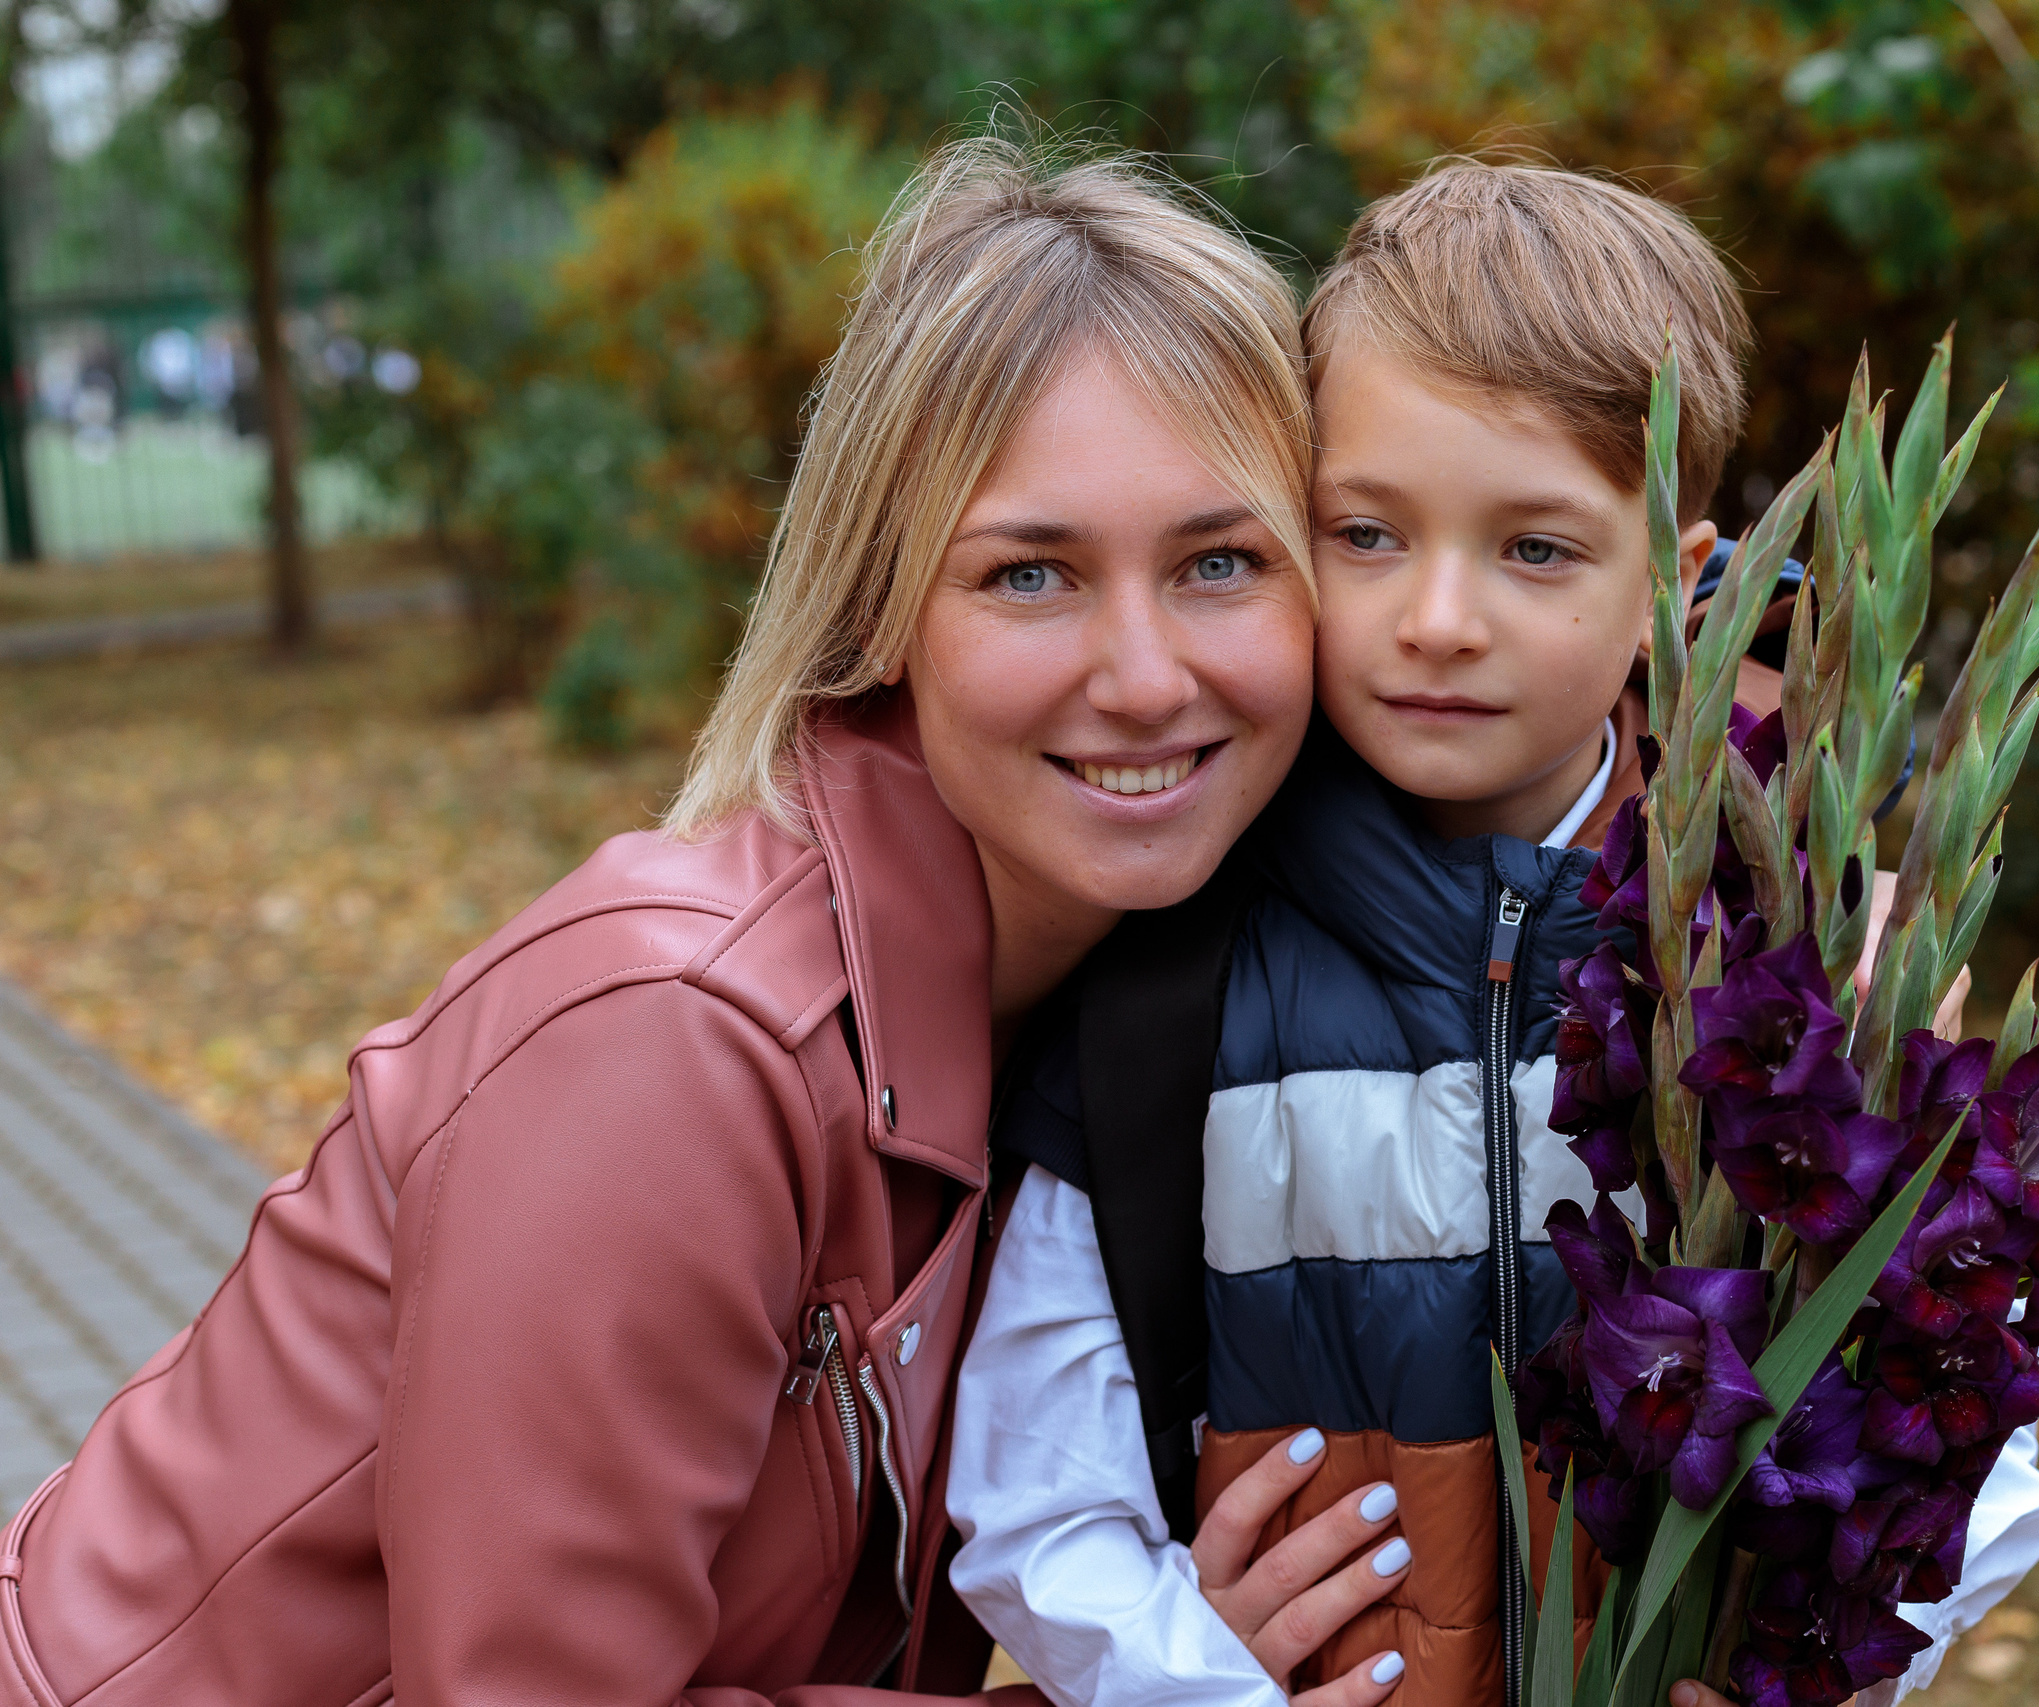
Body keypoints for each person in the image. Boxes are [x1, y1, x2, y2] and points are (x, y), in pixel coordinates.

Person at [0, 136, 1395, 1707]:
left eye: (1220, 562)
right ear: (883, 612)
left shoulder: (1139, 1013)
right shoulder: (677, 1045)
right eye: (1029, 577)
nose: (1144, 674)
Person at [945, 162, 2039, 1707]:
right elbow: (1033, 1492)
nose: (1440, 619)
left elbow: (1975, 1444)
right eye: (1368, 535)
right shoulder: (1180, 953)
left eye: (1535, 549)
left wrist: (1812, 1665)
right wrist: (1193, 1676)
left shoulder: (1784, 974)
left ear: (1677, 593)